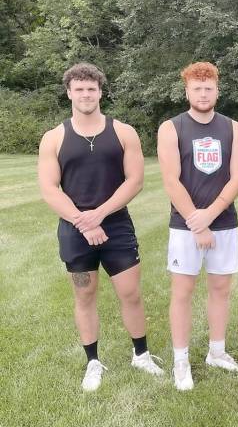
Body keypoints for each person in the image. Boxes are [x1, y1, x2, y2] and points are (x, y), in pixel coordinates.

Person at [38, 62, 164, 392]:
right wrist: (83, 220)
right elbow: (50, 189)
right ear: (69, 93)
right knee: (85, 294)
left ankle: (141, 354)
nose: (85, 95)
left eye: (91, 89)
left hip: (117, 228)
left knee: (130, 293)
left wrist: (100, 214)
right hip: (74, 232)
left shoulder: (123, 132)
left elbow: (135, 181)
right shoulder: (54, 138)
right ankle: (93, 361)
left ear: (100, 92)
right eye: (78, 89)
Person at [157, 61, 238, 391]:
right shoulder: (171, 128)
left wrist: (211, 215)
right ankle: (180, 360)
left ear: (217, 91)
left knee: (220, 289)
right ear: (187, 91)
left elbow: (237, 177)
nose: (203, 93)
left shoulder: (232, 128)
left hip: (223, 222)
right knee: (182, 292)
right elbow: (171, 180)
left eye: (209, 88)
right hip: (185, 226)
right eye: (197, 88)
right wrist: (197, 222)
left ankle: (216, 352)